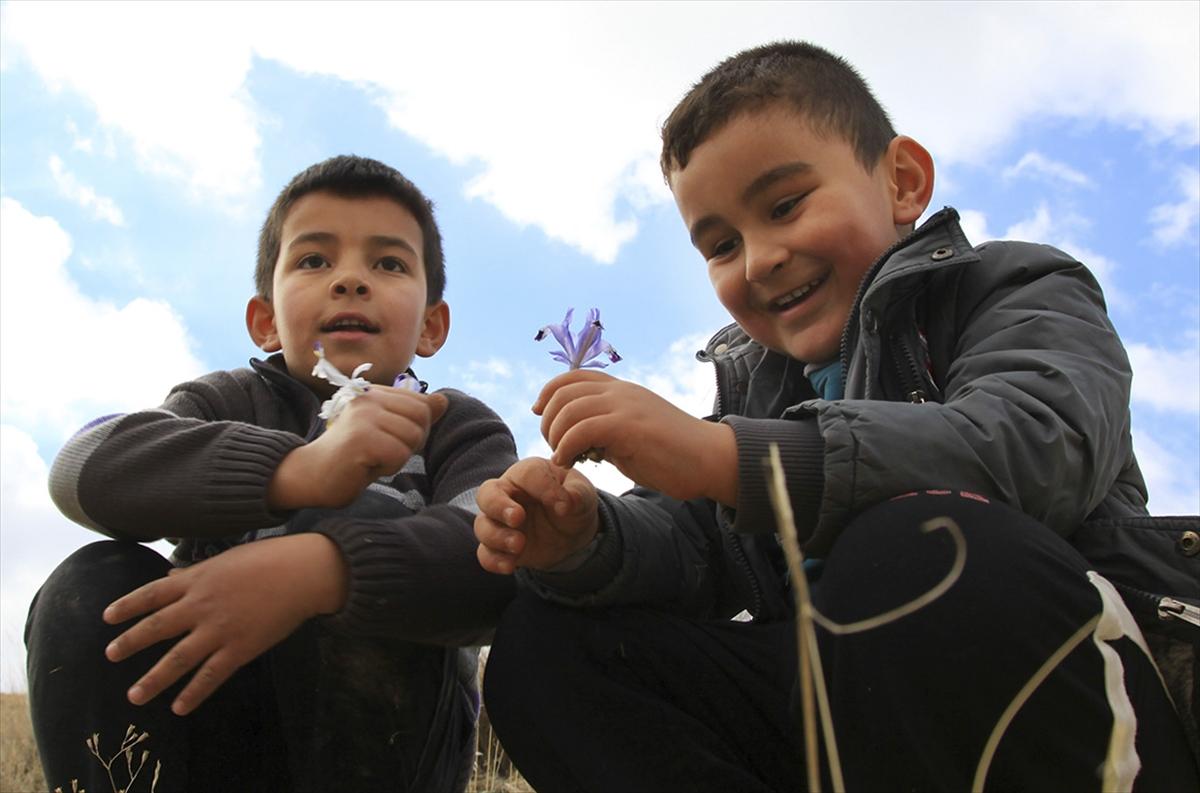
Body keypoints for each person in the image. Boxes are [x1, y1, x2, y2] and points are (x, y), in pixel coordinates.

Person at [473, 41, 1200, 791]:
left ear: (903, 182)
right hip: (843, 716)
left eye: (785, 206)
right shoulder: (754, 399)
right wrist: (584, 538)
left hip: (1061, 698)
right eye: (721, 245)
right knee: (545, 644)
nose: (758, 260)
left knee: (912, 541)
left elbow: (1035, 449)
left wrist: (734, 460)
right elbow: (690, 545)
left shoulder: (1015, 286)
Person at [26, 155, 518, 792]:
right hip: (203, 733)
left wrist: (322, 570)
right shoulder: (221, 402)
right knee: (91, 582)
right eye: (314, 260)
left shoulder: (457, 427)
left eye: (389, 263)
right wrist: (295, 471)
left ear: (431, 326)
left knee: (363, 516)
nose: (350, 280)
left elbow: (497, 561)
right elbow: (81, 469)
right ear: (264, 321)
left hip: (382, 751)